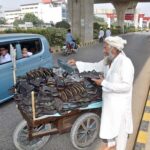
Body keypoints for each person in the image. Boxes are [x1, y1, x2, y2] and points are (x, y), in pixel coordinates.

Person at [68, 36, 134, 150]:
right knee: (109, 123)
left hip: (120, 104)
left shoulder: (125, 63)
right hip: (109, 101)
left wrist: (104, 83)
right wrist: (77, 63)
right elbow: (94, 66)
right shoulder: (108, 60)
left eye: (105, 48)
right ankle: (111, 143)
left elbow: (126, 87)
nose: (103, 51)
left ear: (113, 49)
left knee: (120, 129)